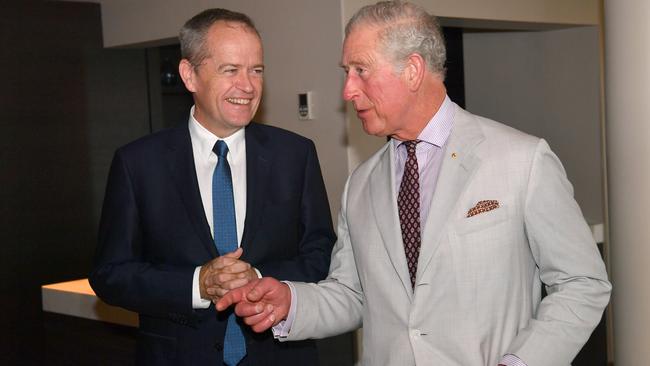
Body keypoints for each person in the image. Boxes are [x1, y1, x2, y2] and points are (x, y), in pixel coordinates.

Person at [216, 2, 612, 365]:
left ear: (412, 70)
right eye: (346, 73)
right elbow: (353, 294)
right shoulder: (361, 184)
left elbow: (582, 284)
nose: (348, 90)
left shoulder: (521, 160)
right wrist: (290, 302)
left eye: (360, 70)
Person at [89, 8, 336, 366]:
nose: (248, 85)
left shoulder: (295, 155)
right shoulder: (139, 164)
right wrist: (197, 284)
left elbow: (322, 255)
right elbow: (110, 274)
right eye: (230, 69)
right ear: (190, 75)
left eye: (256, 70)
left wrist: (257, 276)